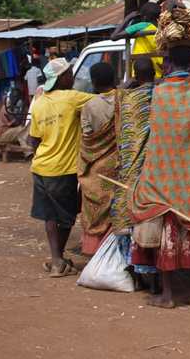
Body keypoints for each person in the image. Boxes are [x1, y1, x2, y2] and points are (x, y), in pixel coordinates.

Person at [128, 43, 190, 309]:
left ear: (168, 62)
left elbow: (156, 133)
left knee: (168, 233)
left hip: (165, 172)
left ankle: (167, 295)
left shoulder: (160, 91)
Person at [27, 58, 95, 277]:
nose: (73, 78)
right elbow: (104, 99)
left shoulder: (40, 102)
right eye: (70, 74)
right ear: (62, 78)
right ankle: (57, 261)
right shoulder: (72, 98)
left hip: (41, 168)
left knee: (50, 215)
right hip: (62, 170)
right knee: (66, 215)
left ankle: (57, 257)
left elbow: (34, 139)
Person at [108, 57, 159, 291]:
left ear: (136, 77)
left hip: (130, 171)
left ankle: (137, 276)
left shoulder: (127, 99)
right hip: (154, 171)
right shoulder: (161, 95)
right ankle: (156, 278)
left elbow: (116, 95)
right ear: (155, 74)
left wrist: (129, 83)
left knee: (123, 212)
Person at [77, 62, 119, 255]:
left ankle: (95, 252)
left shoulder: (89, 106)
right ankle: (116, 251)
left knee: (95, 205)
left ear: (94, 83)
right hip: (119, 164)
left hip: (96, 169)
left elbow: (87, 138)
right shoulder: (124, 99)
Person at [112, 1, 164, 78]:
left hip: (140, 77)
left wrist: (128, 17)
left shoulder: (142, 26)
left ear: (144, 18)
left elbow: (114, 36)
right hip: (158, 74)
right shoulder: (164, 29)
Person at [0, 87, 32, 158]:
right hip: (2, 134)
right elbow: (15, 123)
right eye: (13, 97)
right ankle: (28, 154)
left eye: (17, 97)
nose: (15, 99)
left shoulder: (20, 106)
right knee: (22, 130)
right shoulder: (6, 107)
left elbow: (26, 119)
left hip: (12, 132)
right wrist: (20, 109)